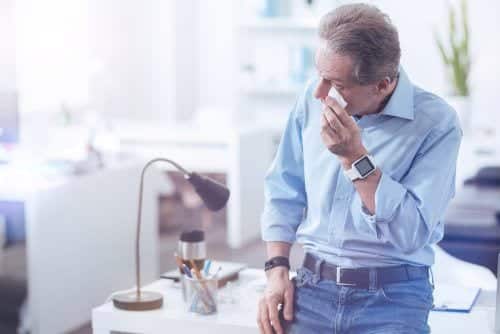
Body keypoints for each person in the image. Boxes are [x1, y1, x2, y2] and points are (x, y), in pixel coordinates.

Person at [257, 3, 462, 334]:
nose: (319, 92)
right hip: (311, 289)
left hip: (394, 299)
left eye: (335, 83)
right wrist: (276, 268)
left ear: (382, 85)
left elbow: (411, 234)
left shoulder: (436, 124)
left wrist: (355, 158)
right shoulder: (311, 98)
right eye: (318, 75)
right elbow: (284, 188)